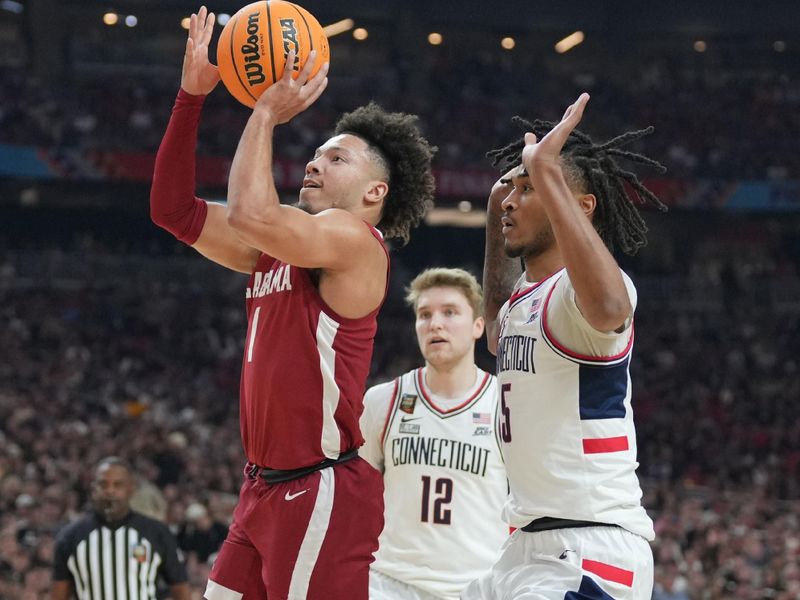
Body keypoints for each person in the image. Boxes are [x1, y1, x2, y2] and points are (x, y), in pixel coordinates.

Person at [149, 7, 436, 600]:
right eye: (318, 153)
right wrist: (190, 98)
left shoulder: (356, 244)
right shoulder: (274, 250)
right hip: (260, 491)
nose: (314, 161)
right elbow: (172, 209)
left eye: (337, 158)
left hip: (321, 488)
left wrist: (263, 111)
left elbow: (254, 213)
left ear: (374, 192)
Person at [463, 94, 668, 600]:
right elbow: (494, 331)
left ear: (579, 206)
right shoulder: (522, 303)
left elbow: (610, 307)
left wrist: (548, 176)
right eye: (512, 189)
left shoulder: (585, 296)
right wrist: (498, 203)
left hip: (589, 548)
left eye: (526, 190)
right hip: (525, 547)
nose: (512, 200)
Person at [360, 268, 508, 600]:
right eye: (424, 315)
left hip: (477, 585)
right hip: (389, 582)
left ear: (478, 326)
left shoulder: (506, 404)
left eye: (450, 312)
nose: (435, 324)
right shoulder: (383, 400)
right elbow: (356, 495)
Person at [51, 457, 189, 600]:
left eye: (118, 485)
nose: (110, 491)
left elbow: (180, 588)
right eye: (103, 484)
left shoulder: (157, 533)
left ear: (131, 489)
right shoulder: (70, 537)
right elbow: (59, 594)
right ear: (94, 489)